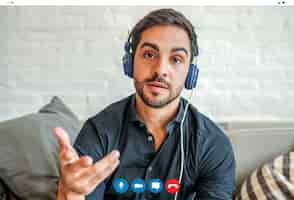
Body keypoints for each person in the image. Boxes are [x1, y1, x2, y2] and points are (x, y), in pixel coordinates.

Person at [54, 8, 236, 200]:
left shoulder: (212, 144)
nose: (160, 70)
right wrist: (71, 192)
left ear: (190, 74)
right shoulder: (99, 131)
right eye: (149, 55)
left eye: (176, 59)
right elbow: (76, 192)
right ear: (130, 62)